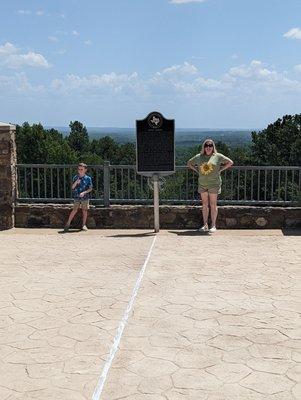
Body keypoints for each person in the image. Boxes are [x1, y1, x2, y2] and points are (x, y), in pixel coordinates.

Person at [187, 139, 233, 233]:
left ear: (213, 147)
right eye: (206, 145)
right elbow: (189, 163)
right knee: (204, 205)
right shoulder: (198, 157)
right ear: (204, 147)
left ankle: (213, 225)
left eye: (210, 145)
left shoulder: (218, 156)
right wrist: (197, 170)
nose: (208, 147)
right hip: (202, 184)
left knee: (213, 204)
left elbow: (230, 162)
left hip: (214, 184)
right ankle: (205, 225)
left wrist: (220, 170)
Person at [64, 163, 93, 232]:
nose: (80, 170)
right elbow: (72, 187)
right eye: (79, 169)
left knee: (84, 210)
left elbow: (90, 188)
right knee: (74, 210)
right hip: (76, 196)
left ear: (85, 170)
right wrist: (76, 182)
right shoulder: (75, 177)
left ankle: (83, 225)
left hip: (85, 197)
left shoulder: (88, 178)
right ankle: (68, 224)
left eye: (81, 169)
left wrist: (84, 192)